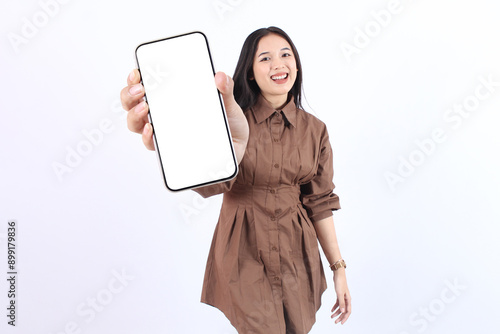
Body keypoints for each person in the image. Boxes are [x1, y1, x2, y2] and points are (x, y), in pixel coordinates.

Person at [121, 26, 351, 334]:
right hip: (245, 250)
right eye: (265, 58)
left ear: (296, 64)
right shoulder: (228, 121)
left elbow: (319, 203)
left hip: (299, 254)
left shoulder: (316, 130)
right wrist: (177, 149)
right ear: (251, 73)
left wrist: (338, 269)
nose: (278, 64)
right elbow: (208, 183)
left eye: (286, 55)